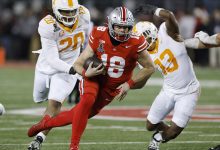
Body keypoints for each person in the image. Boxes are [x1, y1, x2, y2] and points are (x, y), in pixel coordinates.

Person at [27, 6, 155, 150]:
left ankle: (43, 125)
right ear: (111, 24)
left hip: (111, 89)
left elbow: (150, 67)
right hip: (94, 77)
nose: (122, 31)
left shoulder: (136, 41)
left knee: (78, 113)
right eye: (119, 26)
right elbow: (78, 63)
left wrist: (129, 84)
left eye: (126, 28)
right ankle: (74, 146)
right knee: (86, 100)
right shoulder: (99, 34)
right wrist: (85, 74)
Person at [134, 5, 201, 150]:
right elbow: (143, 77)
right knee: (150, 125)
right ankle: (161, 132)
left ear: (151, 32)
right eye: (140, 40)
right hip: (168, 90)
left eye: (143, 37)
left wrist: (154, 10)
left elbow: (169, 16)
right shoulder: (145, 55)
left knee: (174, 131)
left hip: (188, 91)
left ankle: (159, 138)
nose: (142, 42)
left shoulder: (167, 32)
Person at [27, 0, 91, 150]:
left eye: (72, 11)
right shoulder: (47, 25)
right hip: (47, 67)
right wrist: (75, 70)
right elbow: (52, 59)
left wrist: (80, 63)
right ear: (55, 10)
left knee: (55, 104)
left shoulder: (84, 15)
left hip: (70, 67)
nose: (69, 15)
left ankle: (39, 139)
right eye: (65, 11)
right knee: (38, 98)